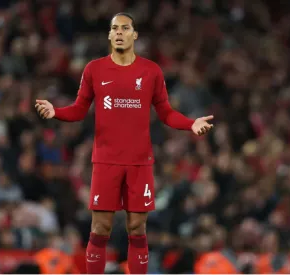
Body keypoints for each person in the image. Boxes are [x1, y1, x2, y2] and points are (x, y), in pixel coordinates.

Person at [35, 12, 214, 274]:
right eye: (115, 28)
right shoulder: (94, 69)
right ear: (109, 35)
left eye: (125, 28)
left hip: (140, 162)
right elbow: (79, 109)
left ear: (134, 35)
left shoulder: (151, 71)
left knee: (137, 229)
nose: (119, 32)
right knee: (100, 228)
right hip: (106, 160)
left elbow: (165, 112)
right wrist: (56, 112)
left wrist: (191, 124)